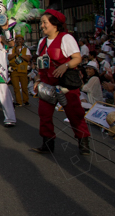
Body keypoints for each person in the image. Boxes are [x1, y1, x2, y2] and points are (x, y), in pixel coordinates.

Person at [31, 9, 92, 155]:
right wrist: (38, 79)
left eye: (44, 22)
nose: (42, 26)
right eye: (41, 23)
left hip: (65, 84)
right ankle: (48, 143)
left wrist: (66, 65)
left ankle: (83, 140)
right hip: (47, 84)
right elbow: (40, 64)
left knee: (74, 113)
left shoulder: (66, 38)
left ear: (54, 24)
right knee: (44, 114)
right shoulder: (42, 42)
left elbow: (77, 58)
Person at [8, 34, 32, 107]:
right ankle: (18, 102)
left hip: (23, 70)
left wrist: (20, 55)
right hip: (14, 70)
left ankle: (26, 100)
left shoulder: (26, 49)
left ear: (23, 41)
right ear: (15, 41)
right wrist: (16, 53)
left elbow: (28, 58)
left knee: (24, 87)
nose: (19, 41)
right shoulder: (11, 49)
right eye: (17, 39)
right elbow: (9, 57)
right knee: (16, 87)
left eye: (20, 39)